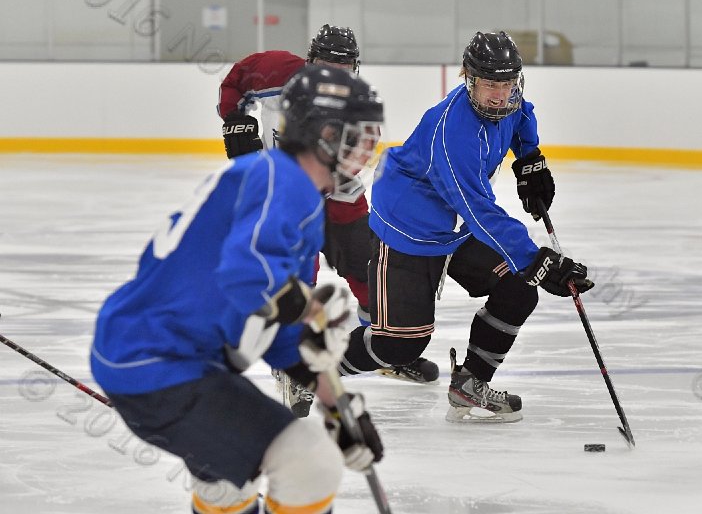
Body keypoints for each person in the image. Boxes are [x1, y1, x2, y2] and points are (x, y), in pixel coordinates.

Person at [91, 65, 385, 513]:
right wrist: (308, 309)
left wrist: (339, 407)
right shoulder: (286, 181)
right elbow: (249, 273)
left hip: (147, 356)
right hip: (163, 365)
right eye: (357, 136)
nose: (365, 151)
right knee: (310, 463)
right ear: (324, 133)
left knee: (227, 486)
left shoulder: (271, 178)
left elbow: (275, 322)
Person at [338, 30, 595, 423]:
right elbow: (478, 210)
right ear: (468, 79)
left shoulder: (509, 103)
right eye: (490, 84)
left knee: (518, 289)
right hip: (411, 226)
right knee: (401, 345)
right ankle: (307, 370)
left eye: (508, 84)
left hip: (453, 226)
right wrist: (537, 259)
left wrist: (530, 158)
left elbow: (522, 114)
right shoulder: (453, 133)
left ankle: (470, 385)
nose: (499, 95)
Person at [217, 25, 439, 418]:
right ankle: (291, 366)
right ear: (309, 61)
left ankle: (386, 348)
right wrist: (234, 120)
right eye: (325, 64)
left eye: (343, 66)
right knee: (297, 287)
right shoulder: (273, 71)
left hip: (338, 200)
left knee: (373, 274)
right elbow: (235, 81)